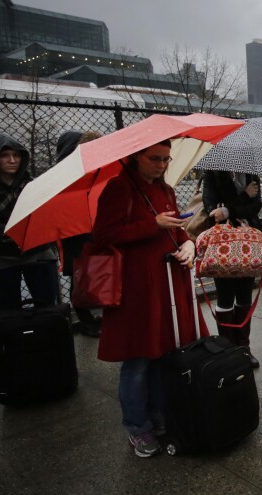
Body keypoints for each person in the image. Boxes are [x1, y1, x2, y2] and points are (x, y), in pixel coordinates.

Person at [92, 139, 208, 458]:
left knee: (162, 353)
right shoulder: (118, 188)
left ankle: (158, 416)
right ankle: (136, 426)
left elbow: (177, 228)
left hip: (166, 281)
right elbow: (103, 236)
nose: (161, 165)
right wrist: (151, 225)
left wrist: (188, 245)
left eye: (166, 159)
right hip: (135, 287)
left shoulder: (165, 189)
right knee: (139, 358)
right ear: (136, 156)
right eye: (155, 158)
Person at [0, 133, 59, 311]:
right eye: (4, 155)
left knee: (47, 307)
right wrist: (26, 230)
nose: (12, 160)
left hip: (37, 252)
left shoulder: (32, 184)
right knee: (9, 310)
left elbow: (45, 218)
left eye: (16, 155)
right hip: (0, 255)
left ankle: (47, 337)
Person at [202, 169, 262, 369]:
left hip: (248, 243)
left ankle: (244, 348)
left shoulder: (251, 173)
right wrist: (244, 196)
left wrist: (228, 210)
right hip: (223, 244)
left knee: (245, 294)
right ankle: (227, 349)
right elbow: (213, 211)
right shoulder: (212, 173)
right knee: (225, 296)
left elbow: (256, 206)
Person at [57, 130, 104, 336]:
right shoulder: (63, 177)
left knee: (95, 275)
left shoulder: (94, 170)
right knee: (79, 278)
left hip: (90, 231)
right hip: (75, 234)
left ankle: (92, 318)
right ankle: (87, 320)